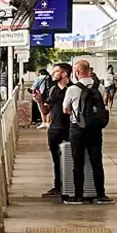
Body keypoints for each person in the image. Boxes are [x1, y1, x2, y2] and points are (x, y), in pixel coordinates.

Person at [61, 59, 111, 204]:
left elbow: (65, 109)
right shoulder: (100, 87)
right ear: (89, 70)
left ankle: (78, 196)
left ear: (76, 72)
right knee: (97, 161)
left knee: (78, 163)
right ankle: (101, 195)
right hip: (95, 128)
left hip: (78, 128)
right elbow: (104, 104)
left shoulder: (72, 89)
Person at [37, 64, 70, 196]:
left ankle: (71, 185)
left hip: (69, 128)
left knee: (70, 158)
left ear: (64, 74)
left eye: (56, 71)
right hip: (54, 129)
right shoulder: (52, 90)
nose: (52, 73)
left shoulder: (72, 89)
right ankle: (57, 186)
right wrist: (40, 101)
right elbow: (46, 111)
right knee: (56, 159)